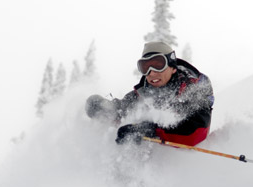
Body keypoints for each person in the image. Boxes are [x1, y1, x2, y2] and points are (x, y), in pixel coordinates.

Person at [85, 41, 214, 147]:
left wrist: (149, 130)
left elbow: (196, 133)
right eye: (145, 67)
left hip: (186, 156)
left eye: (158, 65)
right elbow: (122, 109)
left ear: (173, 67)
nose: (151, 73)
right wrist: (104, 109)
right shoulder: (144, 92)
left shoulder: (195, 87)